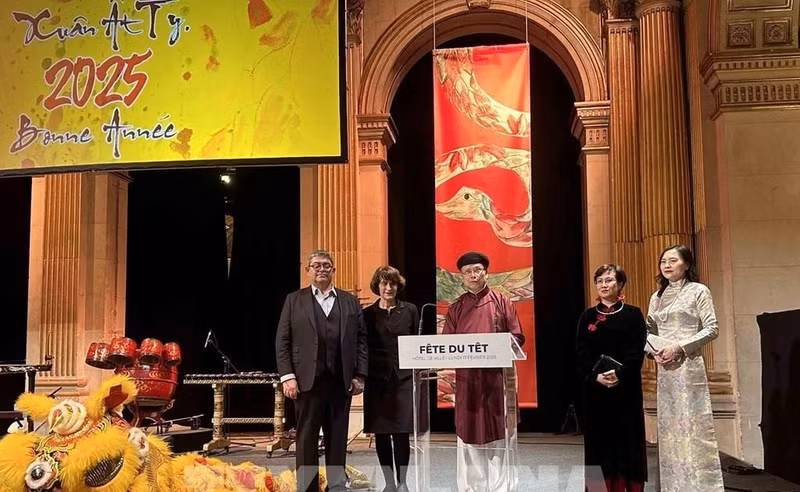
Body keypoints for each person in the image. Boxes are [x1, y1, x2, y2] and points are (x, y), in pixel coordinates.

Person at [275, 250, 368, 492]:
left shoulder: (349, 301)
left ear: (334, 270)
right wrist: (288, 377)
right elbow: (283, 341)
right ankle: (307, 487)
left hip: (341, 382)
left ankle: (336, 485)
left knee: (337, 438)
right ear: (308, 270)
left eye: (327, 265)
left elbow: (361, 341)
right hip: (307, 383)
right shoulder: (294, 300)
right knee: (306, 439)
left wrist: (360, 376)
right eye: (316, 265)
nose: (322, 269)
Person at [442, 251, 525, 492]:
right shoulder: (456, 307)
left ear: (485, 272)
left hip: (496, 381)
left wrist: (500, 345)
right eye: (467, 272)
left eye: (477, 270)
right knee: (469, 436)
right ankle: (472, 487)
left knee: (499, 434)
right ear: (462, 277)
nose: (473, 275)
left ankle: (501, 487)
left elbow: (517, 336)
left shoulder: (502, 302)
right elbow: (447, 343)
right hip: (467, 382)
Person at [645, 245, 724, 492]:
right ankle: (673, 486)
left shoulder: (699, 291)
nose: (666, 265)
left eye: (673, 260)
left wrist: (678, 347)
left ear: (687, 264)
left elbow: (712, 328)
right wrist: (652, 351)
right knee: (669, 430)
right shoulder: (656, 297)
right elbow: (648, 331)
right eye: (663, 262)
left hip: (688, 367)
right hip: (665, 371)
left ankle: (701, 486)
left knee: (693, 426)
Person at [575, 265, 647, 492]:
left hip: (626, 390)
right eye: (599, 281)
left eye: (609, 280)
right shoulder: (587, 316)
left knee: (628, 441)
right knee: (597, 444)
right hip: (596, 391)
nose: (603, 285)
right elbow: (580, 352)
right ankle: (597, 488)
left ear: (620, 285)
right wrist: (595, 376)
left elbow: (637, 350)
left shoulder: (633, 314)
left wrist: (620, 373)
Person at [363, 266, 418, 492]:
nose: (388, 288)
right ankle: (389, 482)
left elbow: (416, 340)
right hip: (376, 380)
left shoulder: (410, 310)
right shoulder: (366, 314)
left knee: (401, 431)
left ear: (398, 286)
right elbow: (362, 347)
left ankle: (403, 482)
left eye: (392, 283)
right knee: (381, 432)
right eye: (384, 283)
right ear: (377, 285)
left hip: (403, 378)